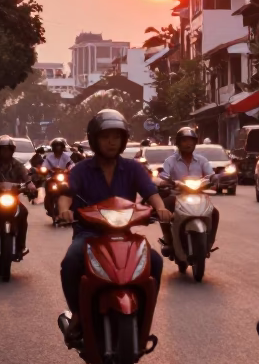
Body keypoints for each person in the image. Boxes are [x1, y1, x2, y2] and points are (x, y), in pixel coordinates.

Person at [57, 109, 171, 338]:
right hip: (88, 234)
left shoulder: (133, 168)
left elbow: (150, 192)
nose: (111, 142)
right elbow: (66, 194)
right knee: (70, 262)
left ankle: (144, 314)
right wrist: (64, 211)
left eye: (116, 137)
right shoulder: (81, 170)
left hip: (124, 235)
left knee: (156, 262)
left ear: (123, 140)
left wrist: (161, 208)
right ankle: (78, 313)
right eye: (105, 137)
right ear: (94, 140)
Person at [157, 126, 220, 256]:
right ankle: (168, 240)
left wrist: (214, 178)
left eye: (191, 140)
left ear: (195, 143)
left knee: (215, 213)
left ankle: (209, 242)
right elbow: (163, 175)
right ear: (178, 143)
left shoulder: (202, 160)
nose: (188, 143)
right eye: (184, 140)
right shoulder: (170, 161)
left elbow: (210, 174)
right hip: (176, 195)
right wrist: (168, 181)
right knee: (164, 210)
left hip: (198, 195)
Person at [0, 135, 36, 256]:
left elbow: (27, 179)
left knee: (23, 213)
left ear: (12, 151)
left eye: (8, 149)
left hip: (14, 199)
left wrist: (31, 187)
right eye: (3, 149)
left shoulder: (18, 165)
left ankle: (21, 245)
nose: (5, 152)